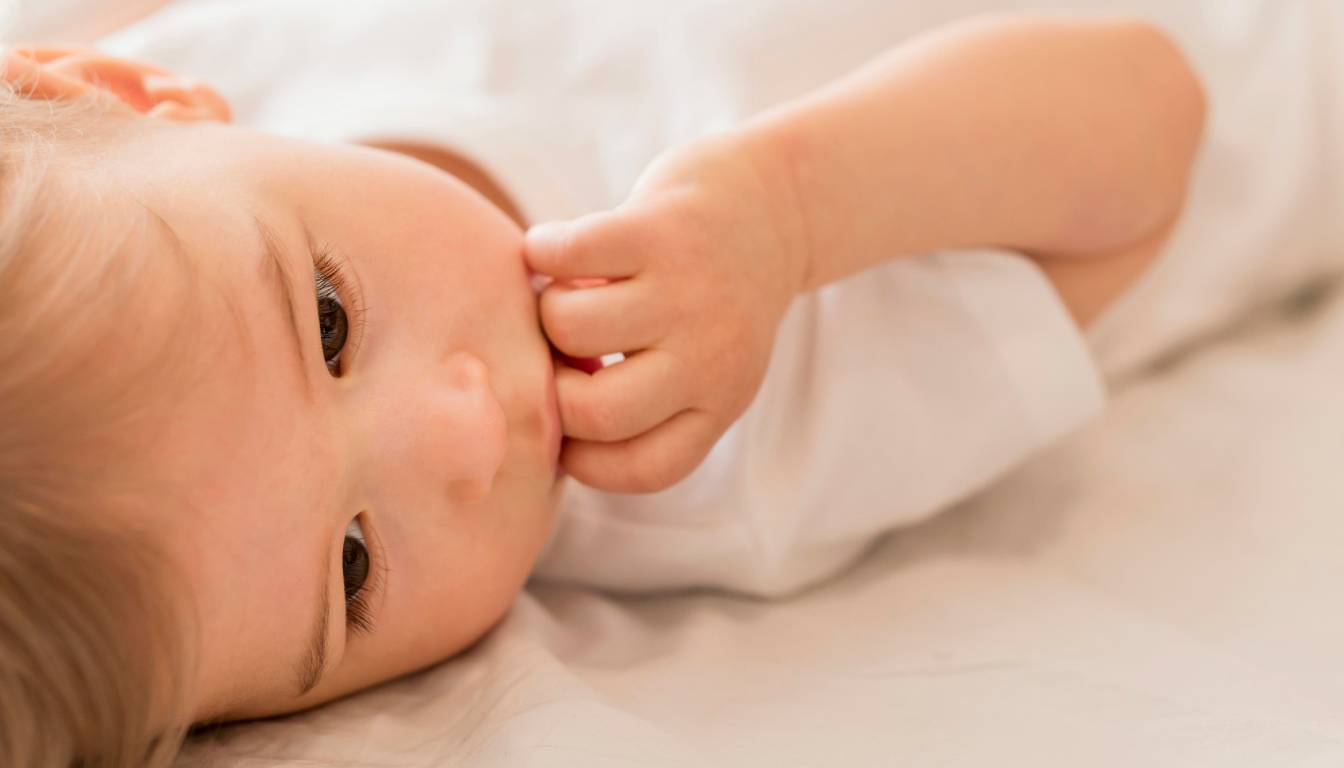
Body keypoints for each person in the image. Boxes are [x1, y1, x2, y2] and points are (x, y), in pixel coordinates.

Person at [0, 12, 1205, 766]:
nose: (467, 433)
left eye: (328, 322)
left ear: (121, 90)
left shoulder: (194, 84)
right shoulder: (713, 444)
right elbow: (1149, 105)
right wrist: (792, 216)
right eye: (354, 564)